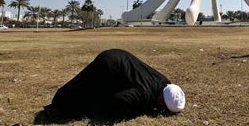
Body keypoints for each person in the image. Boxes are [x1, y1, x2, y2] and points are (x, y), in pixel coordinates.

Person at [43, 49, 185, 120]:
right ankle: (58, 106)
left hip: (119, 55)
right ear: (161, 100)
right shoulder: (144, 93)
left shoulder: (164, 81)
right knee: (84, 92)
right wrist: (138, 110)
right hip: (109, 65)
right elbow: (119, 100)